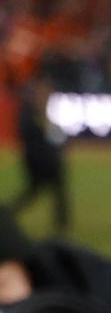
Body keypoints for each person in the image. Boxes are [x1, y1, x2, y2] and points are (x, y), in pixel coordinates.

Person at [12, 82, 67, 235]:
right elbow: (32, 138)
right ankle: (7, 214)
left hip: (49, 161)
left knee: (57, 192)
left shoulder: (43, 114)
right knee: (34, 192)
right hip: (37, 161)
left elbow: (58, 138)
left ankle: (62, 226)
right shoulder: (29, 115)